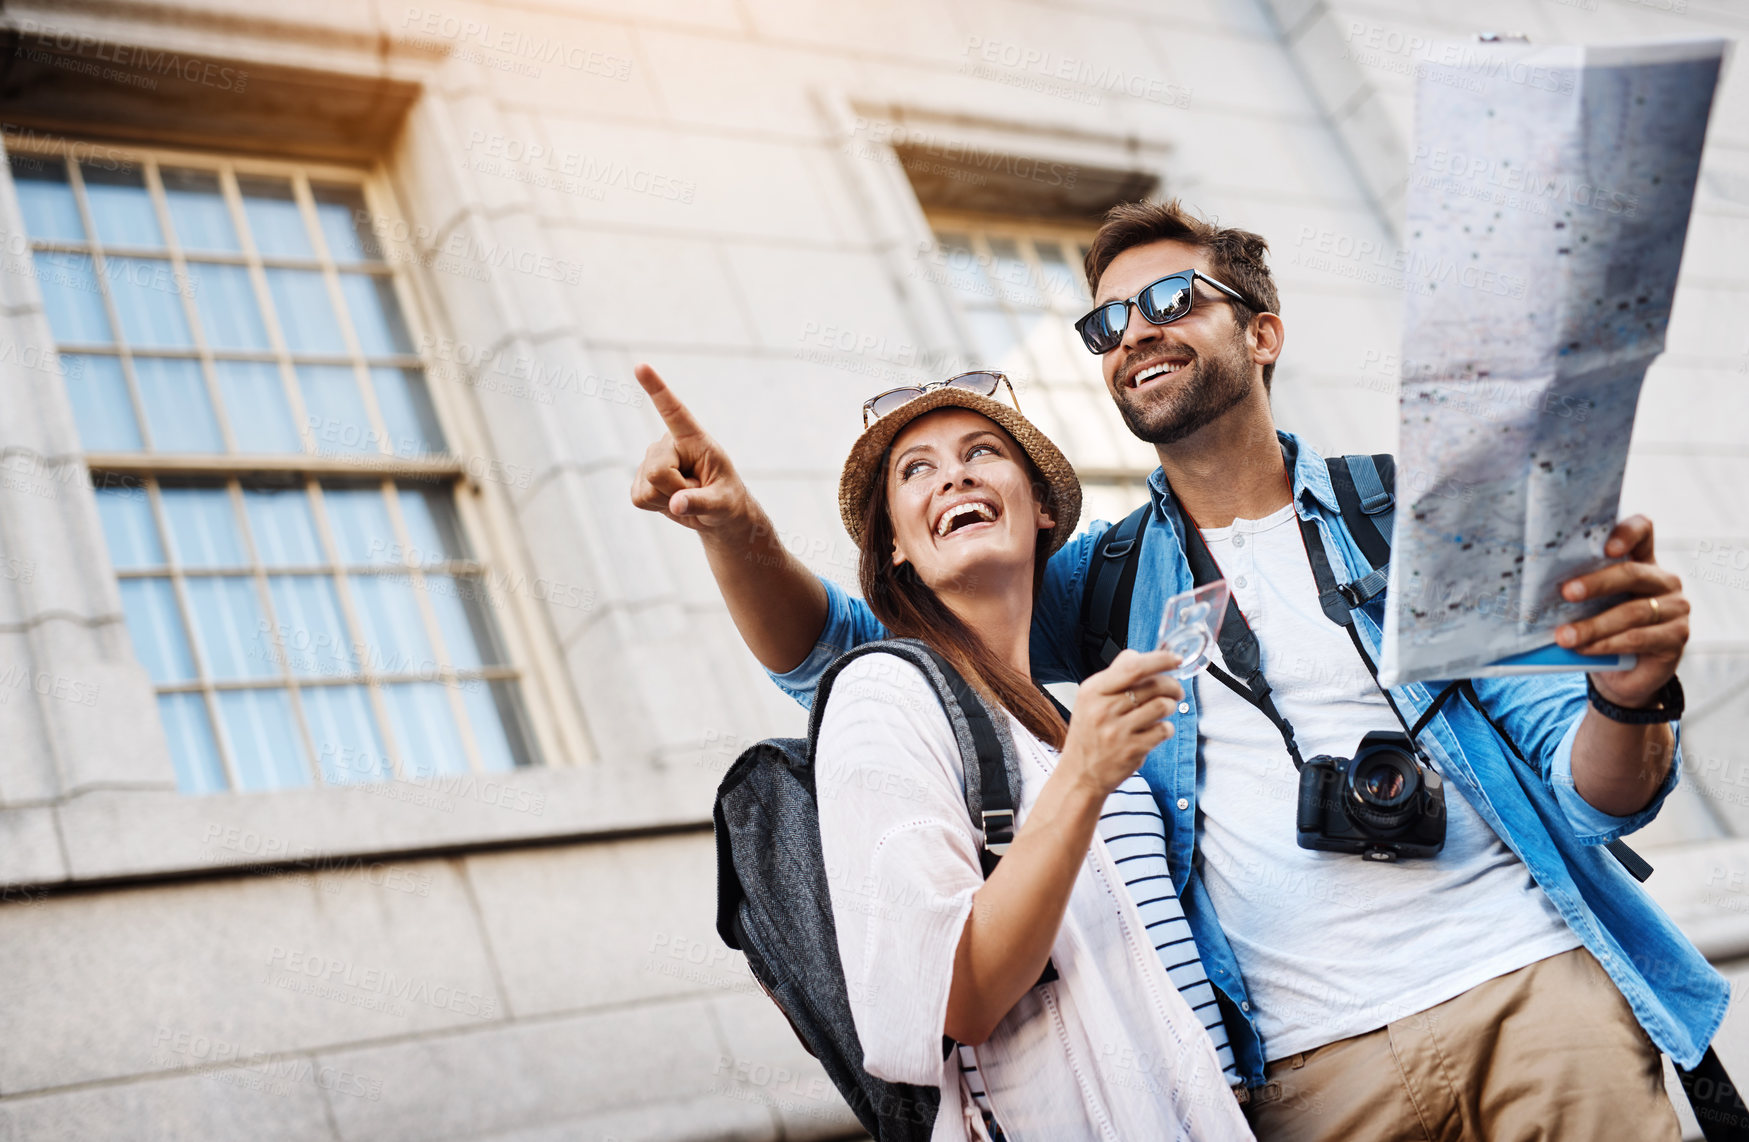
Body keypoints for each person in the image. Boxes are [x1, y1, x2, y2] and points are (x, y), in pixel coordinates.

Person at [631, 200, 1722, 1141]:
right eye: (1106, 322)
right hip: (1304, 1074)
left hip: (1532, 993)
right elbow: (864, 644)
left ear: (1263, 331)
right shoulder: (1098, 582)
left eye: (1172, 301)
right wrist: (733, 530)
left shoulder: (1420, 518)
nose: (1134, 332)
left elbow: (1596, 792)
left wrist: (1632, 692)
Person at [792, 377, 1254, 1138]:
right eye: (916, 469)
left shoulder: (1064, 718)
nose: (955, 475)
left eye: (981, 452)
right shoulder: (882, 695)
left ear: (1041, 510)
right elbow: (958, 997)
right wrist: (1083, 779)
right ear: (895, 548)